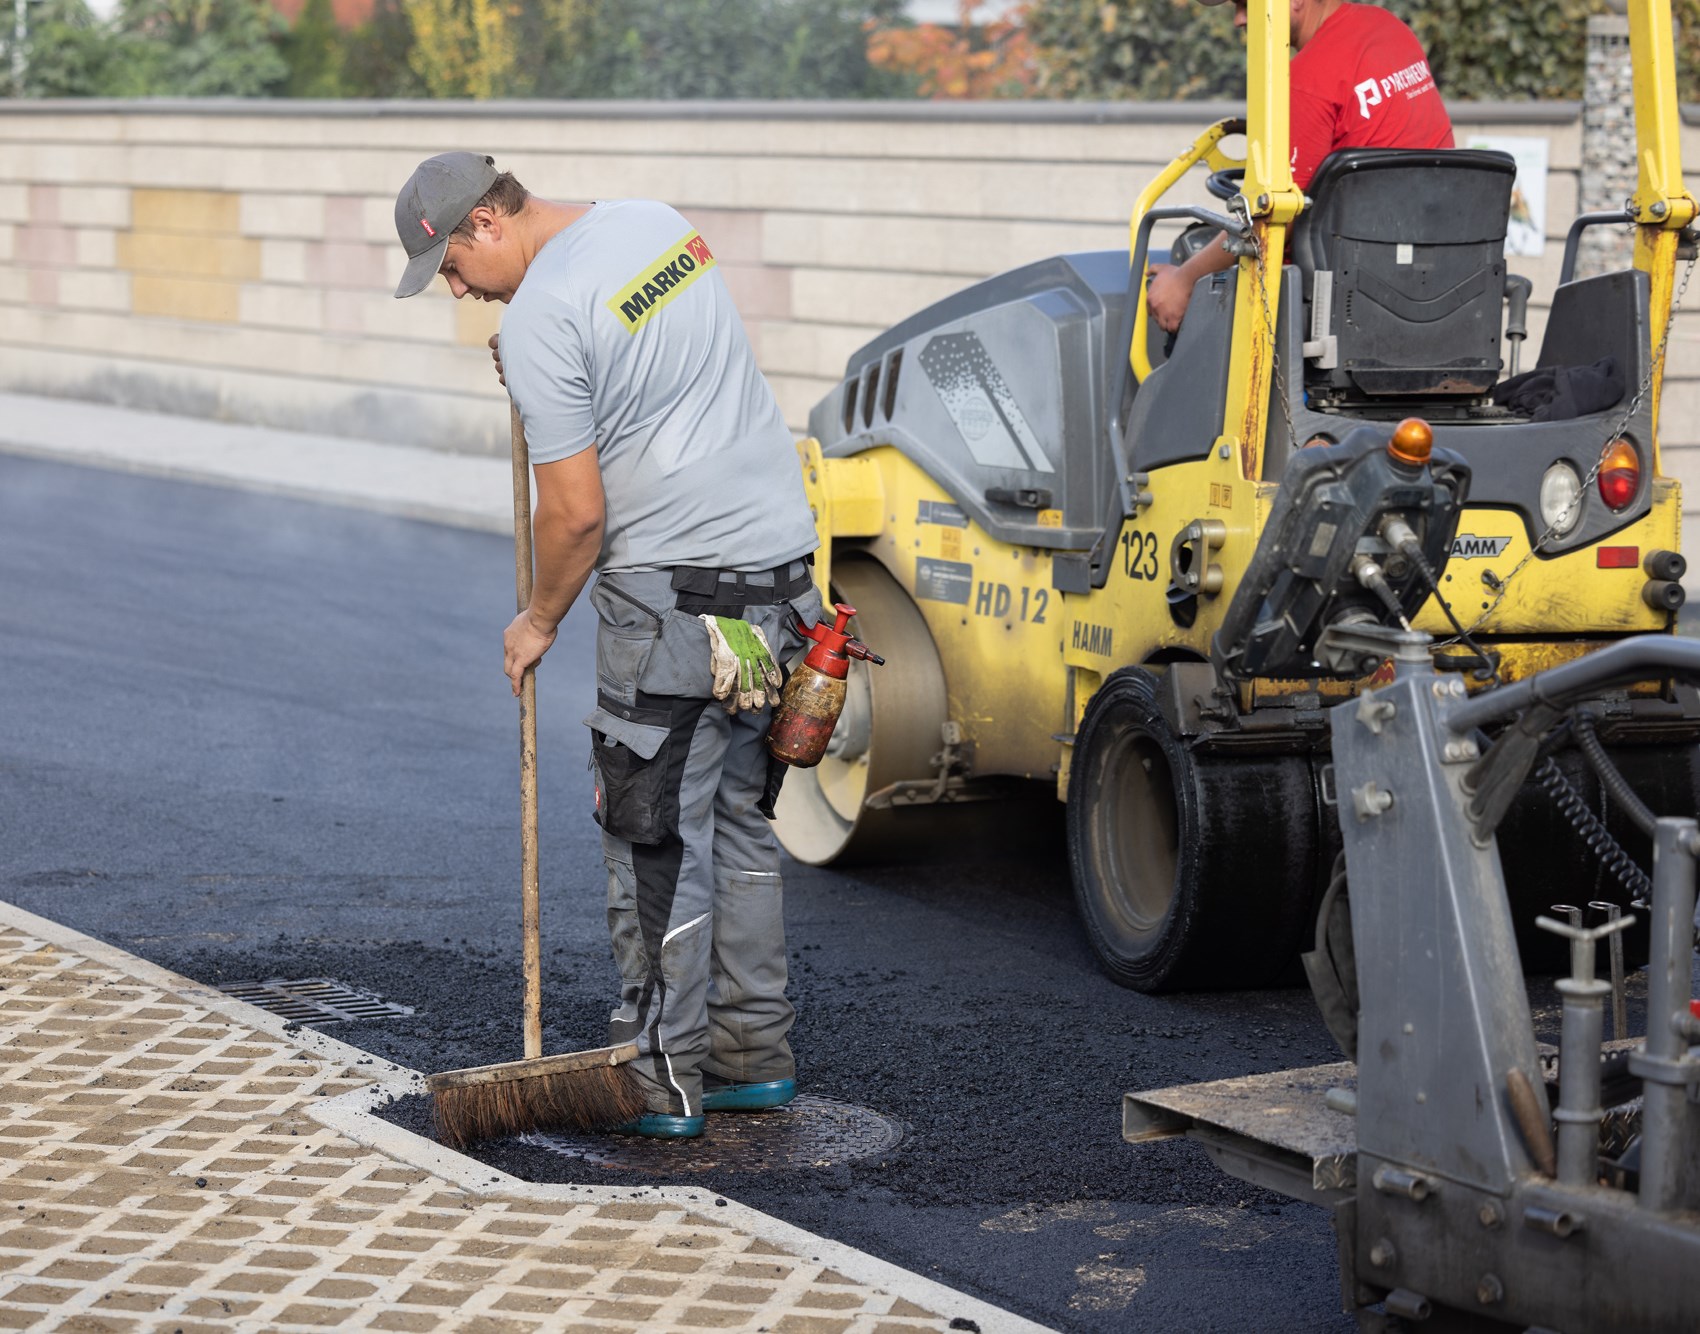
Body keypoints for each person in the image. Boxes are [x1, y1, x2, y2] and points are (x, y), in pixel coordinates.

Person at [390, 152, 823, 1139]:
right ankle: (751, 1053)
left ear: (485, 224)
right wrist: (541, 368)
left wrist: (538, 617)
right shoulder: (653, 224)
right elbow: (647, 366)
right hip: (777, 588)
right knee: (743, 820)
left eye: (451, 267)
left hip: (670, 600)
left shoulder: (543, 315)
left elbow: (576, 516)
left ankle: (663, 1073)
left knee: (653, 833)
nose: (455, 290)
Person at [1146, 0, 1454, 333]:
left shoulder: (1308, 80)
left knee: (1192, 277)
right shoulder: (1389, 30)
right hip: (1426, 272)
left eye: (1244, 4)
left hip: (1339, 296)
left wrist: (1184, 279)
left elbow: (1273, 215)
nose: (1238, 20)